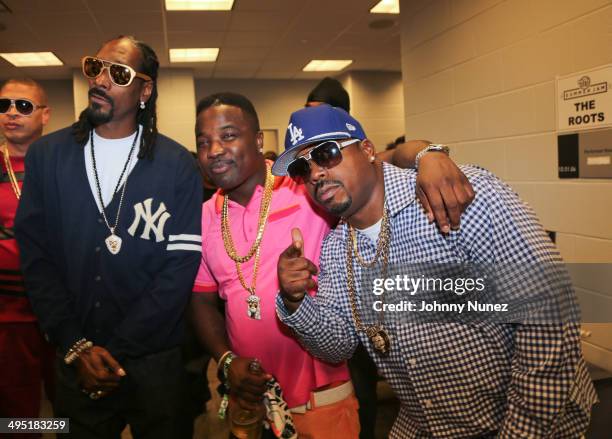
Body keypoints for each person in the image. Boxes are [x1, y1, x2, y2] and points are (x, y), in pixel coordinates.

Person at [275, 105, 598, 438]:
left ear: (368, 150)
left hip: (527, 423)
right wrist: (296, 301)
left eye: (327, 153)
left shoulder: (455, 194)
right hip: (427, 423)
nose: (315, 174)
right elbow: (337, 346)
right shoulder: (335, 248)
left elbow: (549, 314)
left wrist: (521, 431)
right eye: (302, 167)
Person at [191, 92, 474, 438]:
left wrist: (428, 153)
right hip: (248, 396)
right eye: (203, 142)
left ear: (259, 139)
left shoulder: (304, 183)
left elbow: (373, 161)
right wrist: (226, 361)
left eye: (228, 136)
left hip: (320, 398)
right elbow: (202, 299)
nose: (214, 150)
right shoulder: (205, 215)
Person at [15, 36, 202, 438]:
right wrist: (75, 345)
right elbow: (36, 257)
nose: (100, 79)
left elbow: (180, 267)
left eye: (117, 73)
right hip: (75, 357)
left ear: (145, 90)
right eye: (94, 67)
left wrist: (114, 348)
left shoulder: (176, 165)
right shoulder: (48, 157)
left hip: (156, 363)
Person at [0, 78, 55, 436]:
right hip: (7, 316)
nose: (11, 113)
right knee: (17, 413)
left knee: (74, 403)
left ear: (45, 115)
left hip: (61, 312)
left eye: (23, 106)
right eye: (3, 105)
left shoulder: (63, 167)